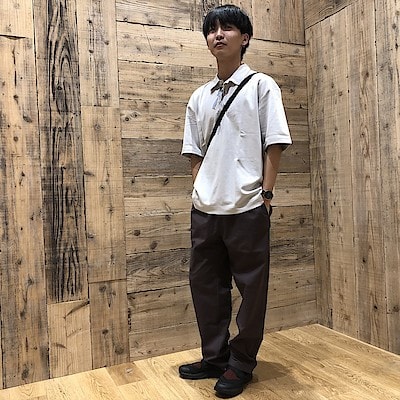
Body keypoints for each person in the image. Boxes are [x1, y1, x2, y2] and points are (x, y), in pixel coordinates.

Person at [179, 4, 292, 398]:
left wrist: (266, 195)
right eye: (212, 29)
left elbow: (275, 142)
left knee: (252, 290)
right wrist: (201, 189)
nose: (218, 34)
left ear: (245, 38)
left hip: (247, 207)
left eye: (227, 28)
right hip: (205, 210)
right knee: (205, 287)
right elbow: (194, 151)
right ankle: (215, 357)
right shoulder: (199, 96)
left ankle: (241, 362)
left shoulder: (262, 86)